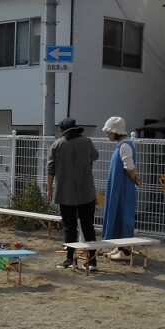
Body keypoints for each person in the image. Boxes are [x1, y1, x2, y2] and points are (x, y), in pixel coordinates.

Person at [45, 117, 100, 271]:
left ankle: (70, 259)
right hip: (86, 192)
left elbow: (51, 169)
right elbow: (95, 156)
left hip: (65, 193)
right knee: (88, 226)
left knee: (70, 227)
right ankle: (92, 261)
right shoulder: (86, 142)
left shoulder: (57, 144)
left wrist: (49, 189)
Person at [101, 116, 141, 260]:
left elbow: (129, 166)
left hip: (123, 187)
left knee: (123, 214)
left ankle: (125, 251)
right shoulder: (122, 145)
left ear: (116, 132)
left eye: (109, 132)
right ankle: (119, 247)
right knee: (117, 213)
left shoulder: (124, 146)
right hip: (119, 186)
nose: (107, 135)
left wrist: (134, 177)